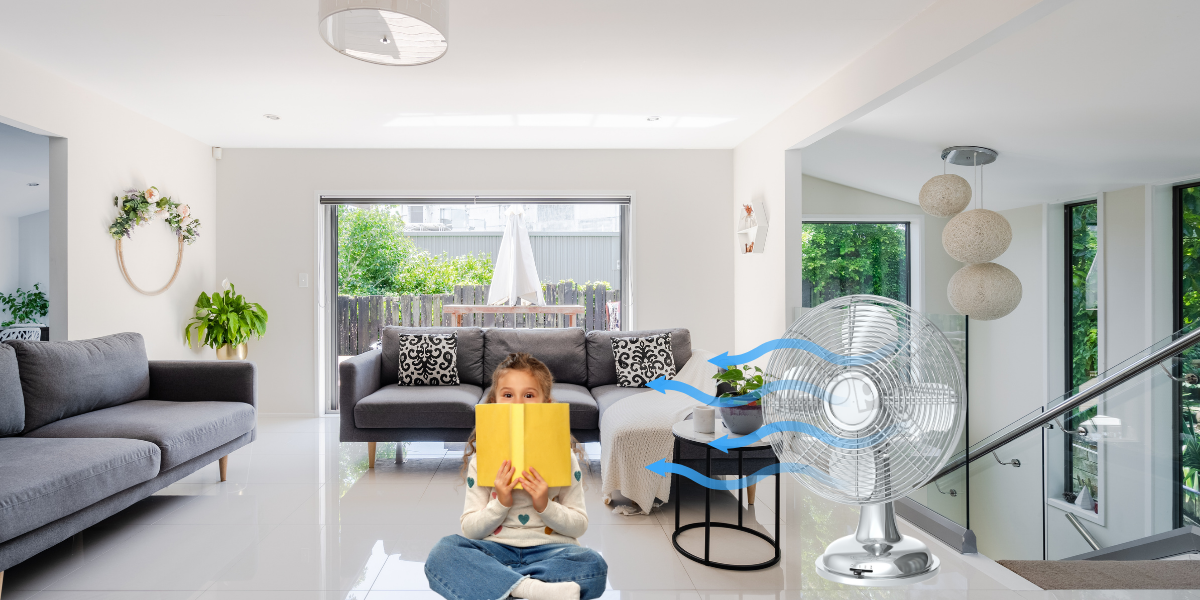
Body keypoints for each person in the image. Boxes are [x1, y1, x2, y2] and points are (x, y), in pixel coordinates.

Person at [425, 353, 608, 600]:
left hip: (551, 554)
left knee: (594, 566)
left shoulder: (566, 457)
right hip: (493, 553)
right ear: (494, 402)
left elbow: (579, 525)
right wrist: (500, 502)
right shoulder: (482, 459)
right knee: (442, 554)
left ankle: (500, 588)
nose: (518, 404)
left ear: (547, 403)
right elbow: (470, 530)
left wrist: (544, 505)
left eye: (529, 395)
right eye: (508, 395)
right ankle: (530, 590)